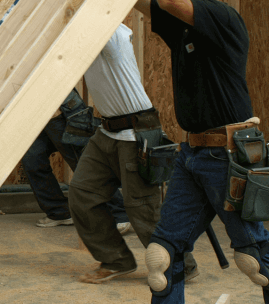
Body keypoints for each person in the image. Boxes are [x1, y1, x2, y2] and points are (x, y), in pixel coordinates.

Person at [107, 0, 269, 304]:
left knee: (255, 257)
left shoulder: (220, 15)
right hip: (194, 153)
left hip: (230, 154)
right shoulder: (181, 25)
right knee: (163, 254)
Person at [66, 22, 198, 285]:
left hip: (135, 132)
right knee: (82, 194)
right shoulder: (78, 38)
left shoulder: (111, 33)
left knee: (142, 208)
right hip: (106, 132)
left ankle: (180, 264)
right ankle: (116, 260)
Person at [22, 88, 131, 233]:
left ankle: (119, 214)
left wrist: (57, 107)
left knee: (82, 163)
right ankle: (59, 212)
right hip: (34, 113)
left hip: (59, 110)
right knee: (32, 160)